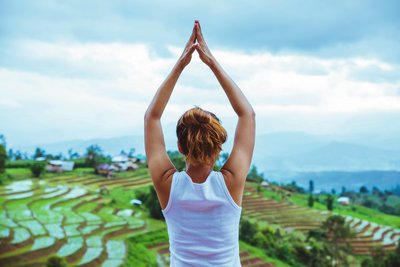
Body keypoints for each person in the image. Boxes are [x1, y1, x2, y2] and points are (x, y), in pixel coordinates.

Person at [144, 20, 255, 266]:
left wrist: (182, 63)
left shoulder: (168, 185)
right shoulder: (230, 183)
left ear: (180, 147)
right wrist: (211, 61)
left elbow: (152, 116)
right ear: (219, 147)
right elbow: (247, 114)